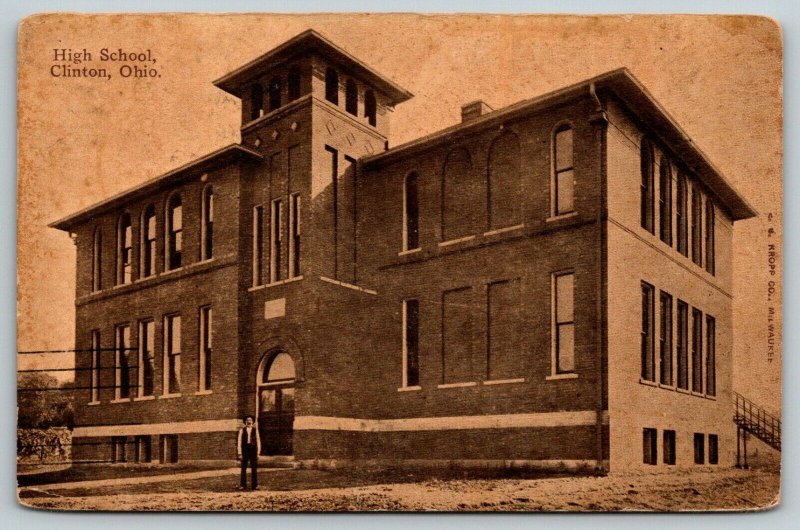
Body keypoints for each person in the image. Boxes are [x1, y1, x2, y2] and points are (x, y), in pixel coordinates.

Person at [237, 415, 261, 490]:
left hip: (253, 451)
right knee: (243, 468)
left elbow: (258, 441)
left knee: (254, 468)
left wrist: (258, 453)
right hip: (245, 450)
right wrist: (240, 453)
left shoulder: (255, 430)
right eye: (247, 420)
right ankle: (242, 485)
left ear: (252, 422)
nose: (249, 422)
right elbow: (239, 441)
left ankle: (255, 485)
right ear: (245, 422)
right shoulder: (242, 430)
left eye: (250, 420)